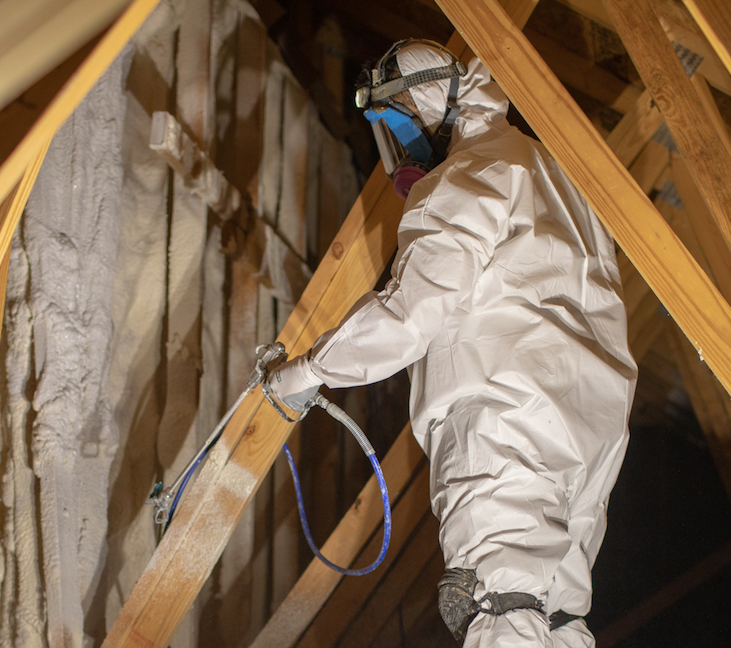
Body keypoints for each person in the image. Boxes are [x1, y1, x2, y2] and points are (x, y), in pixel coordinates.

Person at [264, 40, 638, 647]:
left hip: (502, 420)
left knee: (503, 605)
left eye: (394, 121)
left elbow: (412, 311)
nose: (395, 145)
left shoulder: (469, 174)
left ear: (428, 103)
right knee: (557, 613)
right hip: (584, 431)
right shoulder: (551, 173)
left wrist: (308, 371)